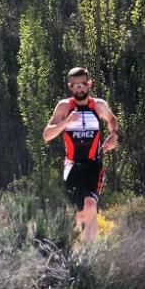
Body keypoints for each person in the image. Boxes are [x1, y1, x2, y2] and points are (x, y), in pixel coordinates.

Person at [42, 67, 119, 243]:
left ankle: (89, 253)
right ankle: (79, 250)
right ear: (70, 87)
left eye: (83, 84)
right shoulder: (64, 107)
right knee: (80, 212)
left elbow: (112, 120)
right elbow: (47, 135)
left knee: (91, 205)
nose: (79, 88)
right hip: (72, 166)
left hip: (94, 164)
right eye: (75, 85)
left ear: (89, 84)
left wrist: (114, 135)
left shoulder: (98, 105)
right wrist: (66, 122)